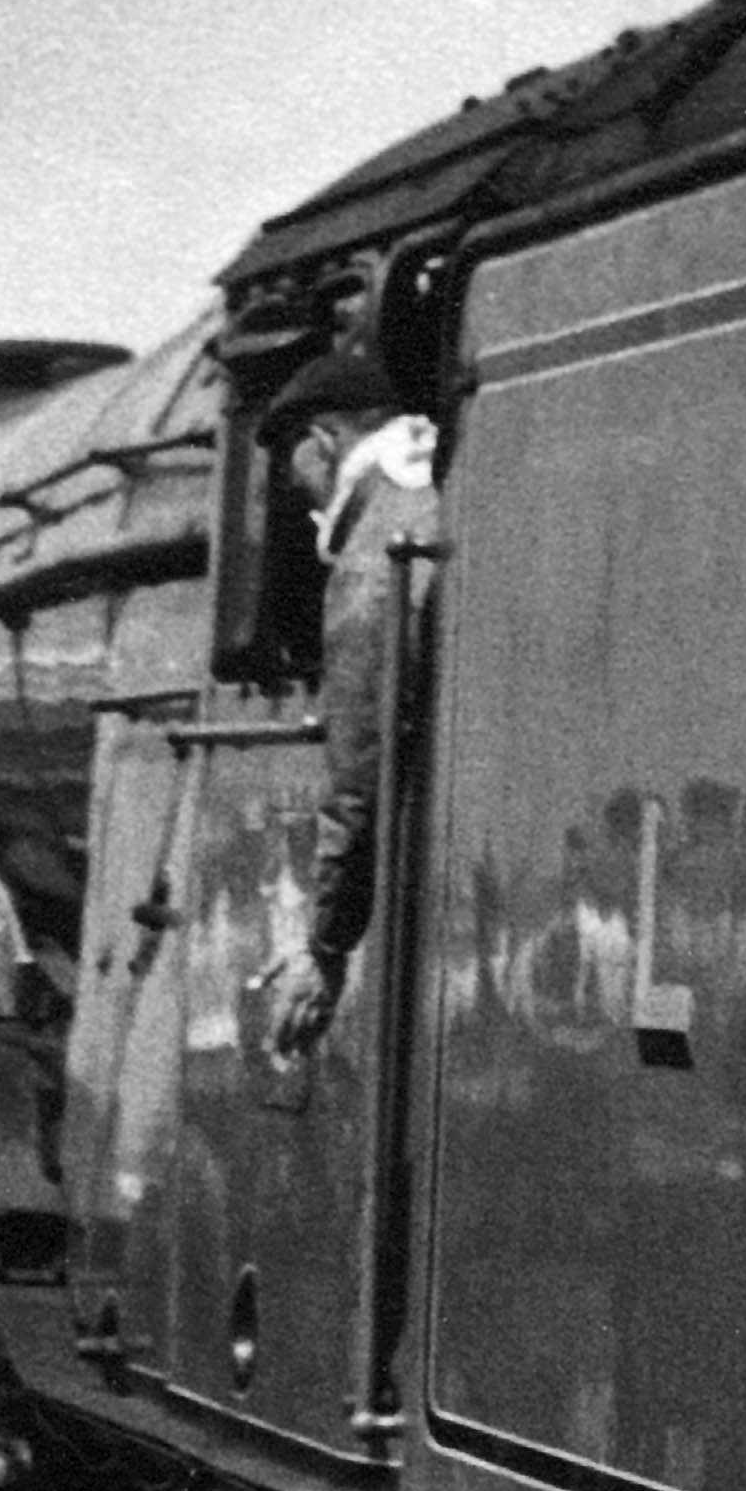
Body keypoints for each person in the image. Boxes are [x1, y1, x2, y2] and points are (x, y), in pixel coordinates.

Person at [261, 391, 446, 1059]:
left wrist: (327, 944)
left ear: (321, 440)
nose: (302, 496)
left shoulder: (372, 553)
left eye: (293, 470)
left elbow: (363, 762)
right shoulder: (438, 479)